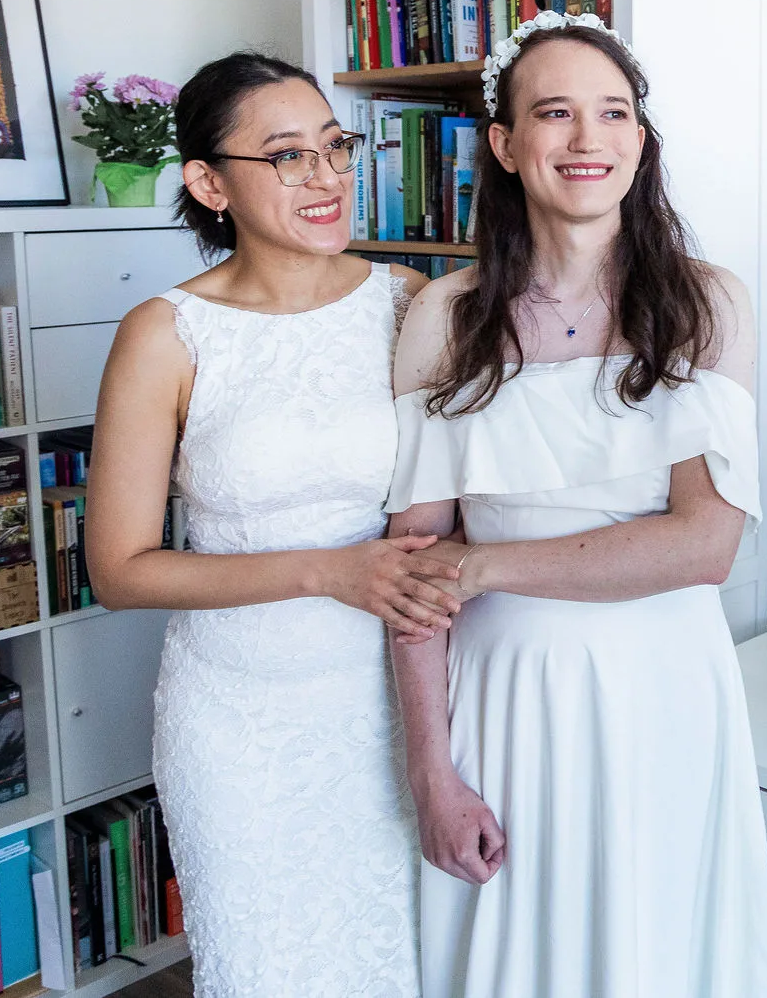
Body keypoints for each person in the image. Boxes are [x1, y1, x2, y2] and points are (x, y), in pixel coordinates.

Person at [386, 12, 767, 998]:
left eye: (612, 114)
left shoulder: (706, 303)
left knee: (650, 948)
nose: (586, 138)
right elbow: (411, 570)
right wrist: (431, 772)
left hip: (660, 685)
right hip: (499, 694)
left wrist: (485, 566)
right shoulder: (443, 316)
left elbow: (702, 546)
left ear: (639, 144)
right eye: (554, 114)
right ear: (507, 146)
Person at [85, 52, 468, 998]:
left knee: (408, 962)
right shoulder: (164, 332)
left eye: (335, 148)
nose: (329, 177)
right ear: (209, 183)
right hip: (239, 725)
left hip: (397, 703)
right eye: (288, 156)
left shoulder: (411, 304)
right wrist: (331, 572)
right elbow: (122, 569)